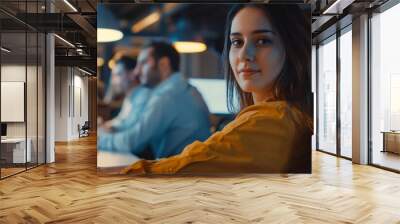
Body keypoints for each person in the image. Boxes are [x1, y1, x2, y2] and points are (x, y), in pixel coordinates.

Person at [121, 4, 313, 174]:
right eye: (237, 42)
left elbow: (187, 165)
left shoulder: (273, 121)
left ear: (291, 48)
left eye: (262, 40)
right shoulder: (286, 114)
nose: (244, 55)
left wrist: (119, 173)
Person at [98, 41, 211, 159]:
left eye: (143, 63)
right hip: (192, 166)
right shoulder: (186, 88)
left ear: (163, 64)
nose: (136, 72)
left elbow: (133, 142)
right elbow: (135, 130)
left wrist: (99, 139)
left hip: (181, 172)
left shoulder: (167, 96)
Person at [99, 56, 152, 132]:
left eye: (118, 75)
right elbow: (120, 121)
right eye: (113, 76)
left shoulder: (143, 96)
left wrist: (106, 127)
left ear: (131, 74)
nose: (113, 81)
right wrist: (105, 125)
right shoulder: (129, 97)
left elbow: (128, 129)